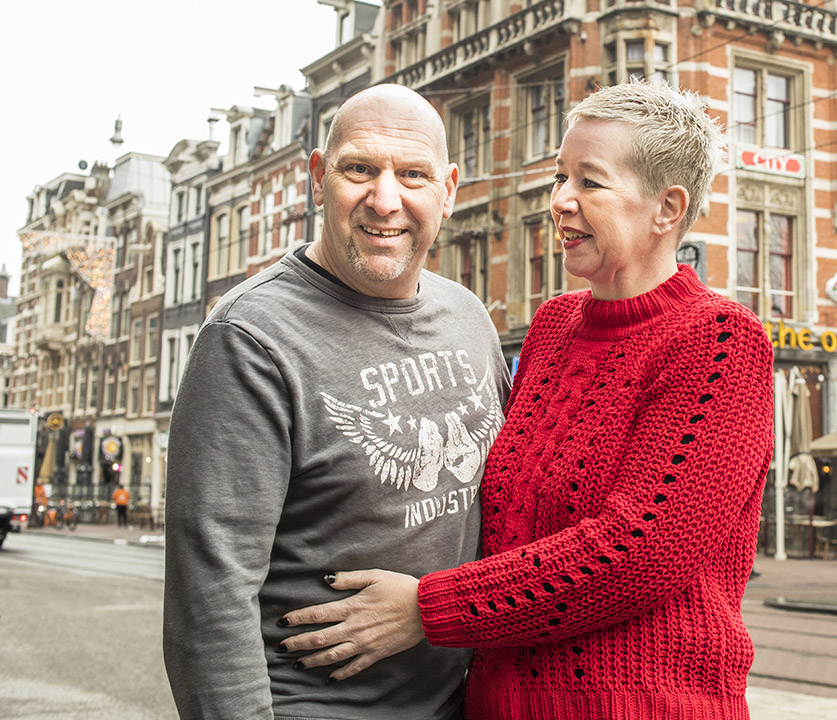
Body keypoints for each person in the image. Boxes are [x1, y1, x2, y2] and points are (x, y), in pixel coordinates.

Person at [280, 82, 775, 719]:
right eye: (560, 176)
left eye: (589, 182)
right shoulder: (552, 327)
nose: (560, 201)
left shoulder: (719, 341)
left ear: (667, 209)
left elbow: (640, 551)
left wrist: (427, 608)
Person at [162, 84, 511, 720]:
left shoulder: (468, 316)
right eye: (359, 169)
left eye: (413, 174)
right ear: (319, 179)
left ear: (450, 190)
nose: (386, 200)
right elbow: (210, 594)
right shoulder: (251, 337)